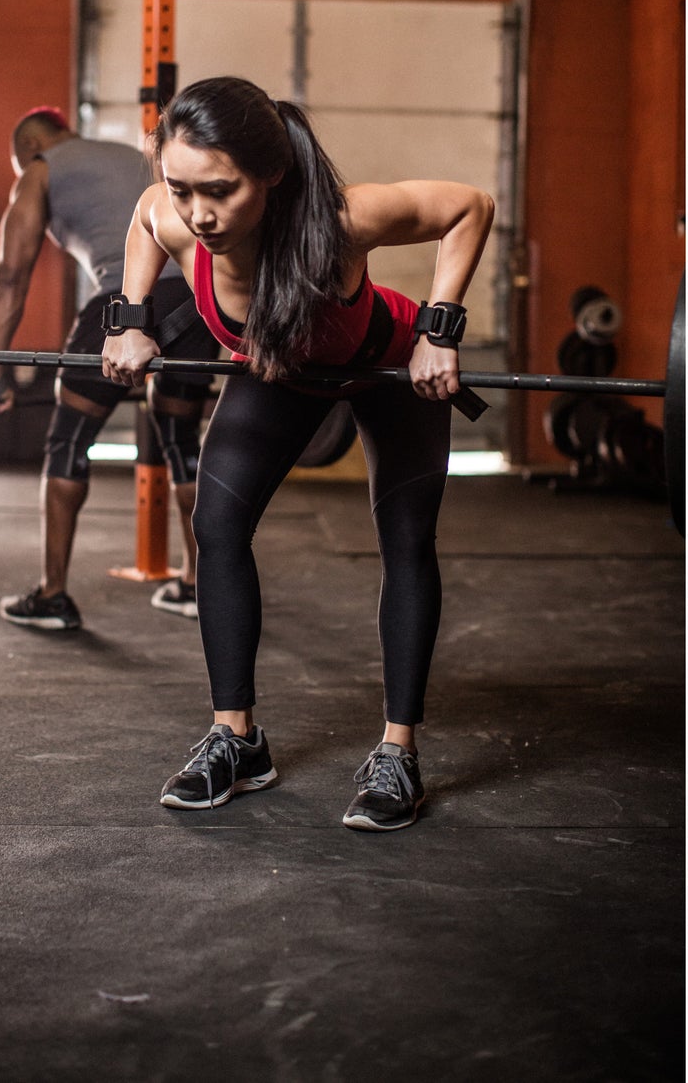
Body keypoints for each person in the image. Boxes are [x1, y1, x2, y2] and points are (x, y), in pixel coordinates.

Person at [101, 76, 494, 831]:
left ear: (271, 174)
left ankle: (397, 753)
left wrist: (440, 332)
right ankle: (236, 738)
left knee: (405, 540)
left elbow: (468, 206)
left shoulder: (343, 220)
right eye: (181, 188)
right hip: (279, 372)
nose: (198, 212)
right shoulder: (172, 217)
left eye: (218, 189)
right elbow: (145, 224)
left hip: (385, 367)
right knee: (215, 528)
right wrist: (128, 321)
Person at [0, 106, 220, 630]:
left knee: (68, 440)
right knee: (182, 439)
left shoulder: (40, 169)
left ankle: (51, 595)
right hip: (196, 302)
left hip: (123, 301)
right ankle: (197, 585)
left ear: (30, 147)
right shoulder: (133, 155)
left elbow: (9, 277)